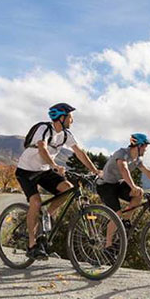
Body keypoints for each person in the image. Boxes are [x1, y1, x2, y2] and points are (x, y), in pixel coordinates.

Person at [15, 103, 101, 260]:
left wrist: (95, 170)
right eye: (70, 117)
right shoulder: (44, 129)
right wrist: (54, 165)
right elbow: (42, 149)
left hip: (45, 170)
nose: (72, 120)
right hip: (26, 171)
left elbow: (80, 153)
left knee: (67, 188)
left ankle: (47, 214)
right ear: (61, 118)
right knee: (35, 203)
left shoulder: (66, 135)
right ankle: (32, 245)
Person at [97, 133, 150, 249]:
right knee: (117, 214)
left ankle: (125, 221)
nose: (146, 149)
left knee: (139, 194)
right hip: (105, 185)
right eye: (145, 146)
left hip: (117, 184)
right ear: (138, 145)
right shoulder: (122, 154)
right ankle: (108, 245)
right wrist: (133, 186)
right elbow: (123, 169)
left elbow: (148, 173)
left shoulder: (137, 159)